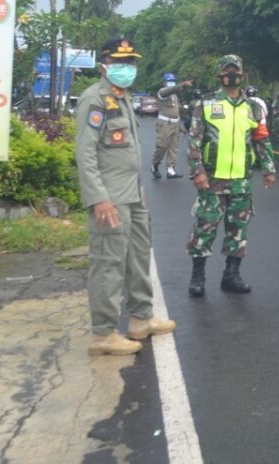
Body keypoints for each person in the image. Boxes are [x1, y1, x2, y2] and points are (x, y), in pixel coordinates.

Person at [75, 37, 175, 356]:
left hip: (132, 194)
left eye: (131, 62)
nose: (127, 68)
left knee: (138, 257)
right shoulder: (95, 99)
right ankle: (103, 334)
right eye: (120, 62)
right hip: (110, 198)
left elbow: (127, 152)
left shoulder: (123, 97)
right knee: (109, 264)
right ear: (103, 64)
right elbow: (86, 152)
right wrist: (98, 198)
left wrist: (140, 191)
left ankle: (140, 319)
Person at [185, 55, 276, 297]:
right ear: (220, 74)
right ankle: (198, 277)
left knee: (238, 230)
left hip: (241, 180)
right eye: (227, 70)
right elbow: (193, 140)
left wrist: (268, 169)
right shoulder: (205, 104)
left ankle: (231, 275)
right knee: (205, 228)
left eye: (235, 70)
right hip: (212, 180)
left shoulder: (253, 106)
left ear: (242, 74)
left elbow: (262, 138)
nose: (231, 74)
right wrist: (197, 171)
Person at [153, 72, 193, 180]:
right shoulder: (162, 92)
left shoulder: (175, 96)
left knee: (174, 148)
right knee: (162, 147)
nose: (171, 83)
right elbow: (171, 90)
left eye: (173, 81)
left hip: (175, 123)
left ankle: (171, 170)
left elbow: (177, 110)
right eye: (169, 81)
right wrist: (182, 85)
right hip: (165, 124)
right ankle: (155, 165)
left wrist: (181, 126)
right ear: (164, 82)